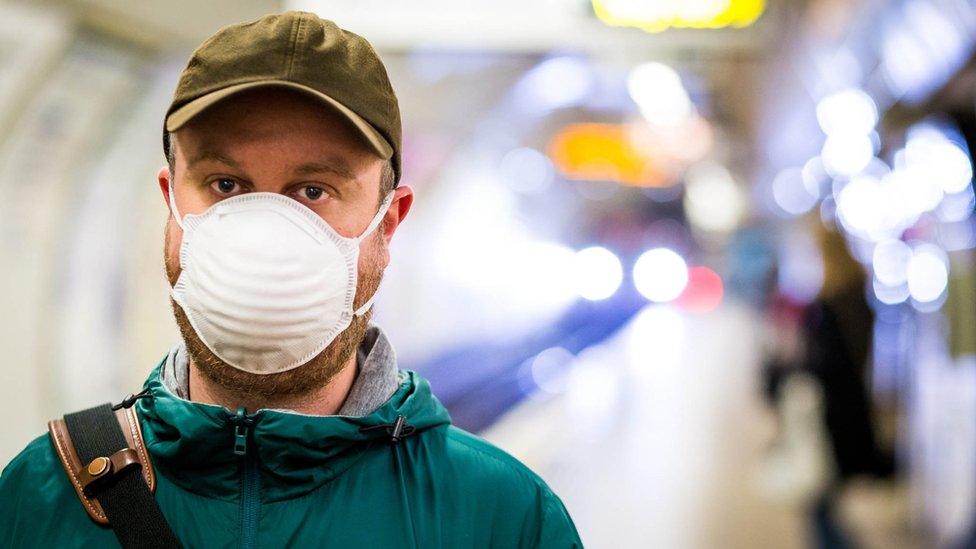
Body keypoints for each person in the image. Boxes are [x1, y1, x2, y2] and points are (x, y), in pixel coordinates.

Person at [0, 11, 581, 548]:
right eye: (225, 184)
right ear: (170, 203)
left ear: (389, 223)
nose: (263, 233)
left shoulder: (503, 518)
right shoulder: (40, 498)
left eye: (313, 191)